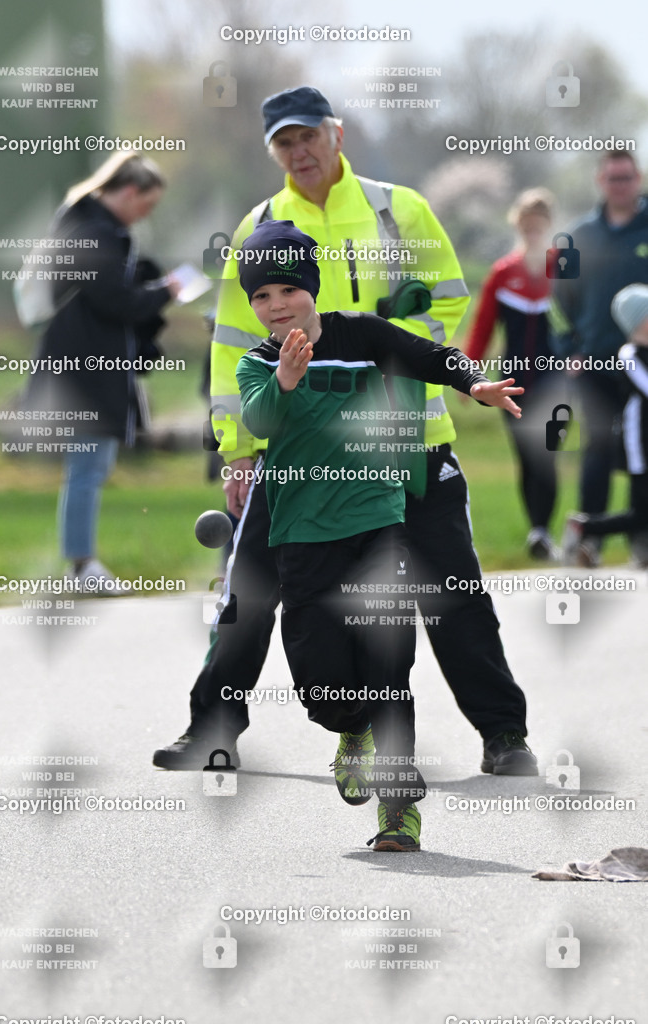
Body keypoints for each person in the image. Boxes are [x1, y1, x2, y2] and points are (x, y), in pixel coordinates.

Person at [154, 86, 537, 776]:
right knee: (249, 593)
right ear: (272, 152)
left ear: (335, 133)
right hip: (297, 451)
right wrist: (237, 450)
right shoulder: (261, 225)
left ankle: (503, 735)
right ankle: (213, 726)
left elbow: (446, 296)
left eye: (307, 137)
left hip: (407, 446)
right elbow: (231, 341)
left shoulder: (399, 210)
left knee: (453, 596)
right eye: (283, 143)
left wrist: (384, 346)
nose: (298, 152)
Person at [234, 220, 523, 849]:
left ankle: (398, 810)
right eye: (261, 296)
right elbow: (256, 417)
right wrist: (285, 379)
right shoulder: (257, 362)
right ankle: (351, 730)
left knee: (389, 663)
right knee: (320, 681)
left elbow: (428, 356)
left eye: (287, 289)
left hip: (379, 519)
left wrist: (474, 383)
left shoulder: (360, 336)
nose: (277, 305)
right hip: (304, 532)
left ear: (310, 288)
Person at [25, 153, 180, 588]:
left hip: (84, 364)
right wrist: (165, 291)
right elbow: (117, 301)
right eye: (146, 206)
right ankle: (82, 566)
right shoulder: (95, 233)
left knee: (88, 466)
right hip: (86, 369)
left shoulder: (88, 225)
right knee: (88, 466)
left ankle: (82, 563)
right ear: (129, 192)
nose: (143, 216)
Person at [550, 149, 648, 565]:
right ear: (600, 181)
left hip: (643, 363)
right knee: (598, 446)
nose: (620, 185)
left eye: (626, 177)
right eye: (612, 178)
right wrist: (568, 349)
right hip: (593, 360)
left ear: (638, 178)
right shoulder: (576, 238)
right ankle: (589, 540)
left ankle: (640, 542)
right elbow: (556, 302)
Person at [464, 188, 560, 560]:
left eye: (539, 226)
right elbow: (483, 327)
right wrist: (469, 374)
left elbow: (581, 319)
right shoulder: (503, 273)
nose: (533, 231)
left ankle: (543, 530)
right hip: (514, 382)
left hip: (556, 382)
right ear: (517, 226)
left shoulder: (564, 269)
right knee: (526, 455)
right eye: (526, 225)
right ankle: (538, 530)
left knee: (547, 453)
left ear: (549, 226)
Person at [563, 284, 648, 565]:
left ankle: (588, 527)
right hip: (641, 444)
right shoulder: (629, 355)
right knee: (641, 511)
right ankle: (584, 527)